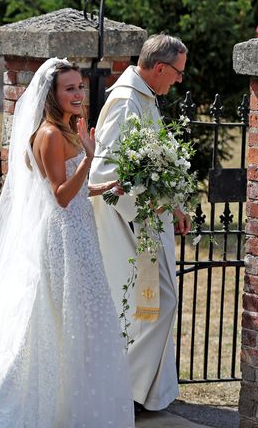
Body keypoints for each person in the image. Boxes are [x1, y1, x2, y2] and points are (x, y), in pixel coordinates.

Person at [0, 58, 133, 427]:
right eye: (69, 88)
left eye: (79, 87)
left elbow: (74, 189)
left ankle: (76, 399)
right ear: (52, 95)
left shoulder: (67, 130)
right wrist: (89, 157)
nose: (78, 94)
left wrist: (104, 186)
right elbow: (59, 195)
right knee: (63, 317)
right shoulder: (51, 135)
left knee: (82, 315)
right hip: (62, 236)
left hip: (77, 232)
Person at [89, 34, 192, 412]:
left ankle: (140, 392)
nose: (179, 80)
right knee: (155, 305)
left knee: (153, 307)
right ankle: (125, 393)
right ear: (160, 68)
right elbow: (103, 173)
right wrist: (145, 212)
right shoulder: (125, 101)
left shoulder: (144, 97)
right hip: (130, 227)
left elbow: (152, 165)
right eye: (178, 72)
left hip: (150, 222)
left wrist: (174, 203)